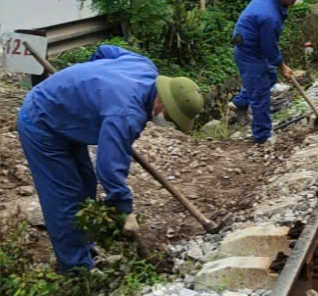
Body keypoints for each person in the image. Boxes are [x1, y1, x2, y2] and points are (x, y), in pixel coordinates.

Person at [17, 45, 203, 272]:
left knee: (85, 186)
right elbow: (109, 166)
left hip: (68, 115)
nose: (169, 122)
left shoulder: (143, 66)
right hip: (41, 122)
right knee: (65, 198)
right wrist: (124, 209)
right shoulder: (126, 114)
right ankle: (76, 270)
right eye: (171, 117)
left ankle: (86, 246)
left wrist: (88, 84)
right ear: (161, 102)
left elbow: (106, 51)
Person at [230, 0, 303, 143]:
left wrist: (277, 66)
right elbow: (270, 49)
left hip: (254, 46)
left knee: (270, 76)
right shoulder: (269, 17)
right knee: (260, 94)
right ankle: (262, 136)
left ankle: (240, 102)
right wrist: (282, 66)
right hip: (250, 53)